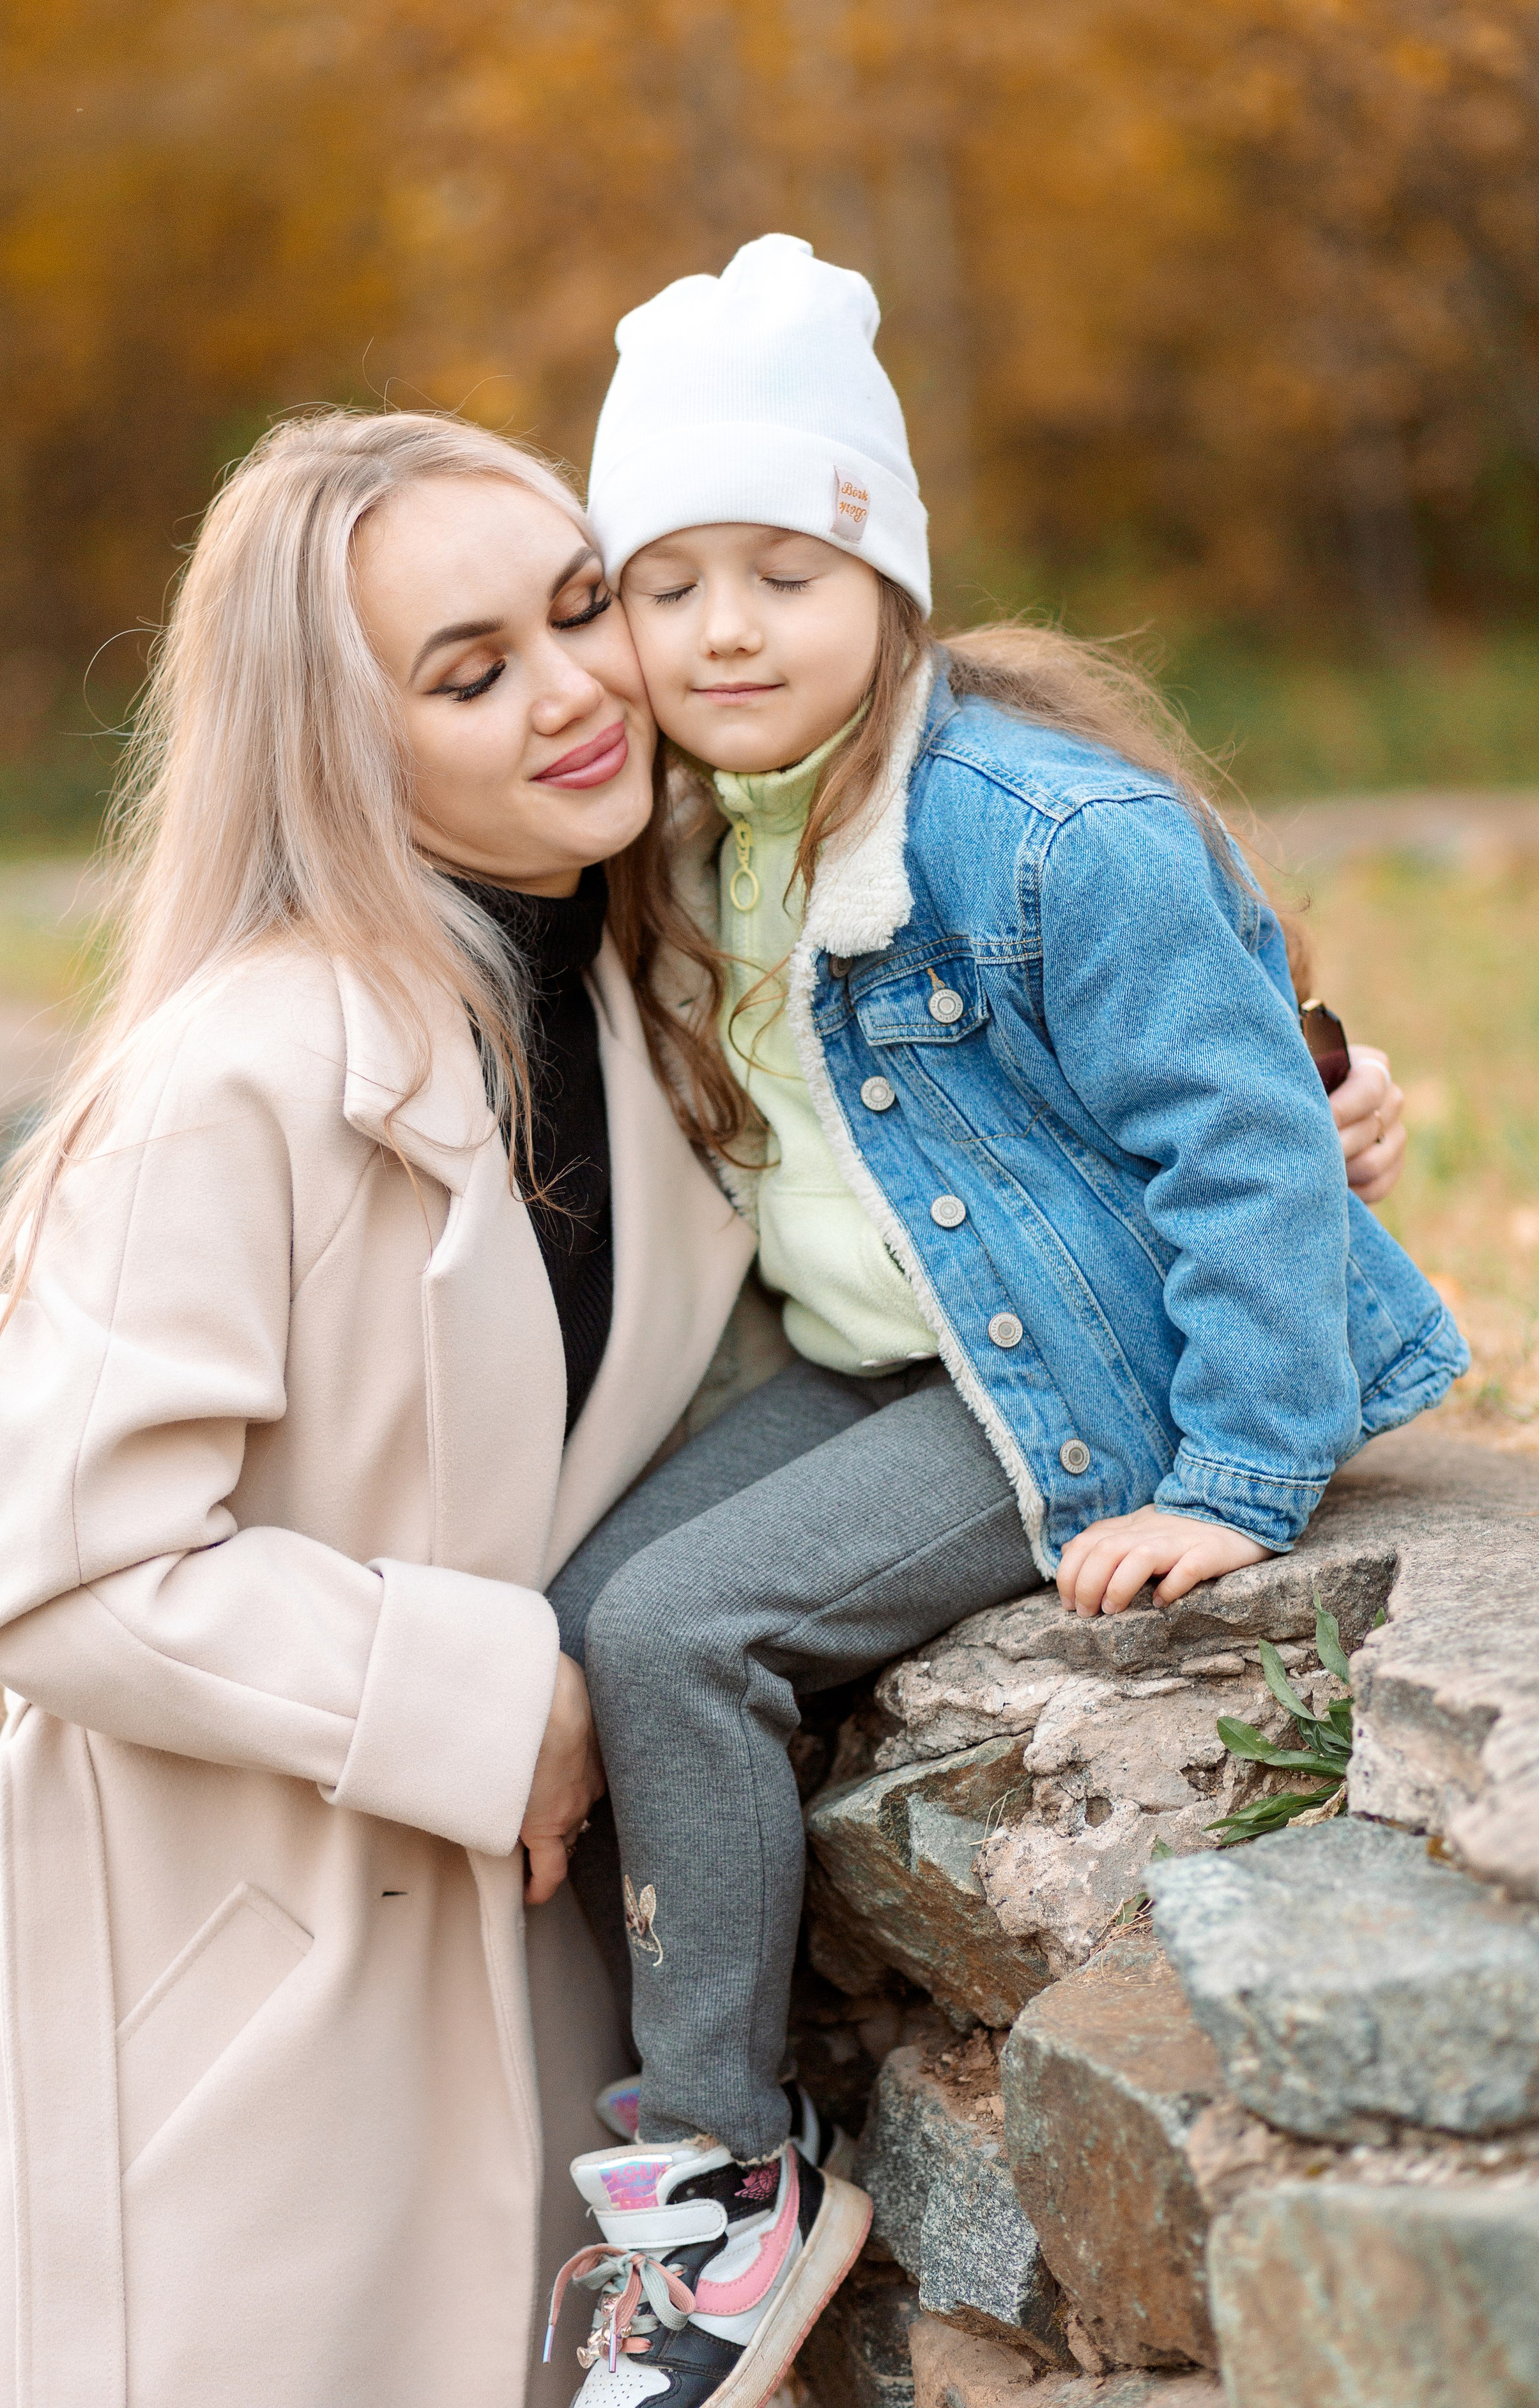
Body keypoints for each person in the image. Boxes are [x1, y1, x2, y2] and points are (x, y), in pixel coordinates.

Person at [539, 234, 1467, 2406]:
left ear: (888, 579)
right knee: (579, 1615)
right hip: (892, 1355)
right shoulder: (696, 840)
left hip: (1096, 1371)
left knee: (679, 1636)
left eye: (785, 570)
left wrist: (1239, 1475)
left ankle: (723, 2183)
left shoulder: (1041, 831)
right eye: (668, 584)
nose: (726, 628)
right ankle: (680, 2075)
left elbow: (1239, 1146)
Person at [0, 410, 758, 2408]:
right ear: (340, 746)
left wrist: (1265, 1126)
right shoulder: (233, 1077)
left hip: (508, 1985)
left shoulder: (658, 998)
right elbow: (72, 1579)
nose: (577, 690)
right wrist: (500, 1701)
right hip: (237, 2018)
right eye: (471, 673)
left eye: (582, 609)